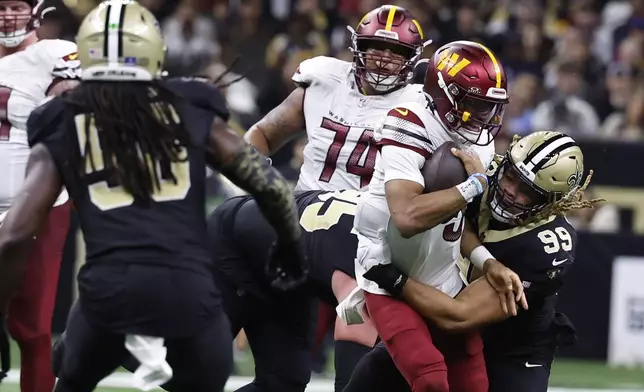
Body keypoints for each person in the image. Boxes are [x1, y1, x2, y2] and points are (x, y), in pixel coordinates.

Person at [0, 0, 306, 390]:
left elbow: (13, 235)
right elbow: (269, 186)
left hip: (107, 295)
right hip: (189, 295)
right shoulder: (188, 106)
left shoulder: (62, 117)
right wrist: (290, 246)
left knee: (68, 369)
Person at [246, 6, 430, 387]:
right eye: (376, 47)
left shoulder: (422, 104)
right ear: (356, 47)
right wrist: (265, 189)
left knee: (358, 320)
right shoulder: (325, 79)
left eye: (396, 52)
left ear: (414, 58)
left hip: (367, 230)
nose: (384, 58)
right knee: (286, 371)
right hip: (308, 220)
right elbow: (259, 136)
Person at [347, 131, 602, 392]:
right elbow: (453, 223)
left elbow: (459, 316)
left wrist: (392, 278)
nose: (509, 191)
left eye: (527, 191)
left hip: (510, 346)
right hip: (437, 316)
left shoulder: (548, 245)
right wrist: (489, 261)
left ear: (550, 203)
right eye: (511, 176)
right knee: (368, 381)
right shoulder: (480, 174)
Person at [339, 40, 513, 392]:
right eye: (476, 105)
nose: (484, 117)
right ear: (445, 95)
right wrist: (473, 185)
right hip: (388, 272)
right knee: (430, 377)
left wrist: (488, 261)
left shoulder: (477, 140)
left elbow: (454, 219)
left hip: (441, 274)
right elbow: (406, 216)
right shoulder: (409, 121)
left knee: (474, 385)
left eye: (490, 107)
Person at [0, 0, 81, 389]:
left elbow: (79, 110)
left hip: (38, 207)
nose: (6, 16)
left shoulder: (55, 54)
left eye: (14, 5)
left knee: (32, 328)